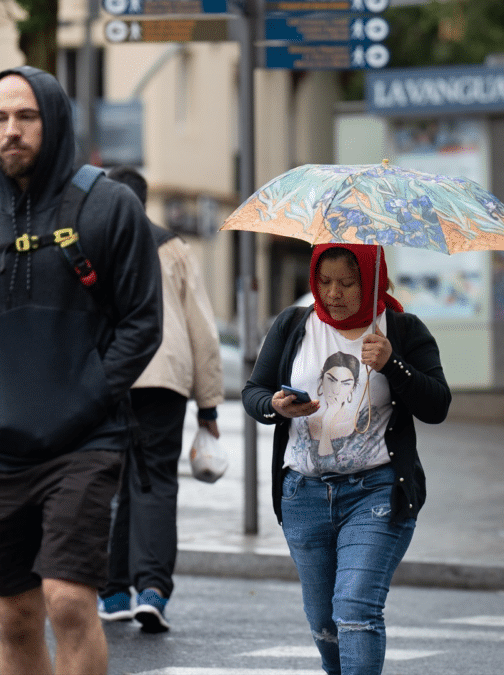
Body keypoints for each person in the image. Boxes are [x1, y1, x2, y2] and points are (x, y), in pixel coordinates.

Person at [0, 67, 161, 675]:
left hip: (85, 441)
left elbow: (141, 322)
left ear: (53, 120)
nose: (12, 131)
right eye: (0, 119)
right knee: (13, 614)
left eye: (26, 117)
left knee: (69, 600)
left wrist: (90, 394)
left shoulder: (110, 206)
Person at [242, 244, 451, 674]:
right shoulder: (293, 325)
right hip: (304, 495)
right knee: (325, 623)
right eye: (325, 282)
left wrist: (394, 364)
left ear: (372, 280)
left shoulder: (402, 330)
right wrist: (275, 406)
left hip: (375, 492)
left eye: (348, 283)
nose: (334, 293)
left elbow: (438, 405)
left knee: (355, 610)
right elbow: (254, 392)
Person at [98, 166, 223, 633]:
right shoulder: (173, 247)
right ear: (144, 200)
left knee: (107, 484)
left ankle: (112, 593)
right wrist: (208, 404)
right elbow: (202, 329)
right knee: (154, 484)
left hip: (106, 381)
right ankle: (152, 591)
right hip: (163, 380)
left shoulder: (91, 247)